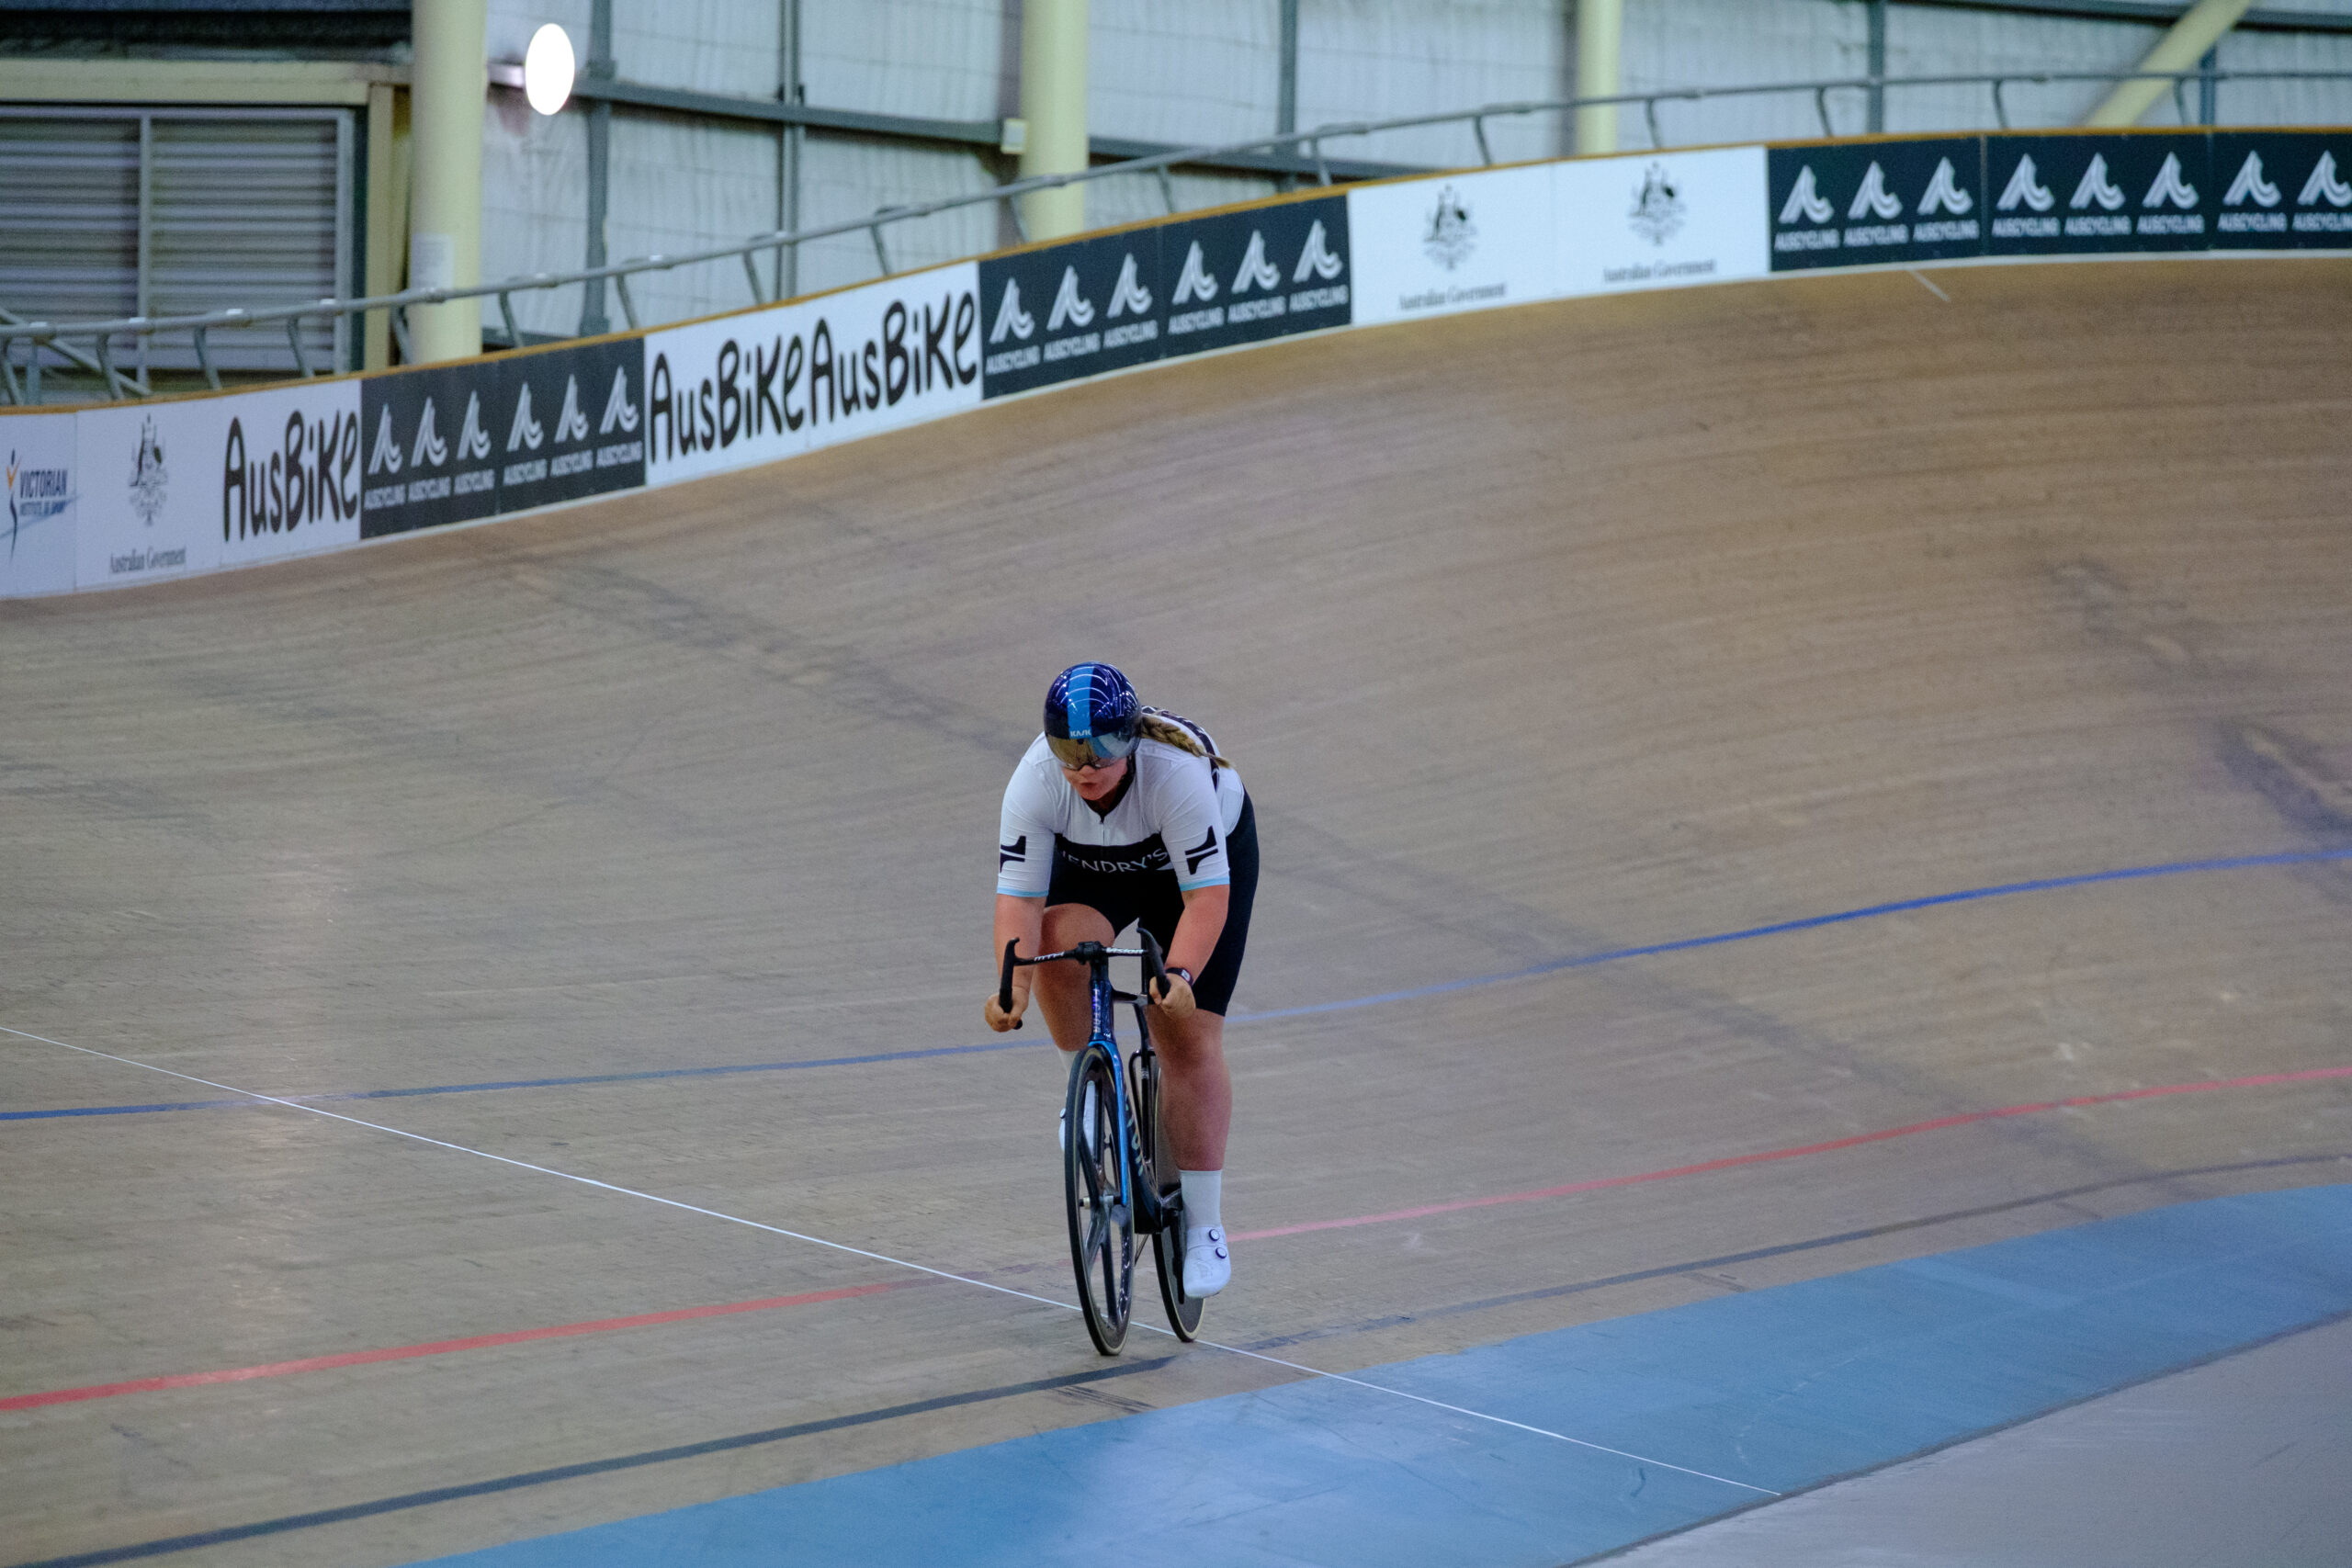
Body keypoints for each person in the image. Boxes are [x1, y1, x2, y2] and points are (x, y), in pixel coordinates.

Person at [983, 661, 1256, 1297]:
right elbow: (1019, 902)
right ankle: (1083, 1091)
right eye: (1069, 751)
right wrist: (1011, 988)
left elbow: (1207, 899)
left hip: (1188, 878)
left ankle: (1204, 1226)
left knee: (1182, 1031)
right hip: (1095, 865)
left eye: (1103, 748)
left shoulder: (1177, 776)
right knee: (1056, 947)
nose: (1086, 767)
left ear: (1131, 738)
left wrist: (1179, 974)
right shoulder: (1034, 781)